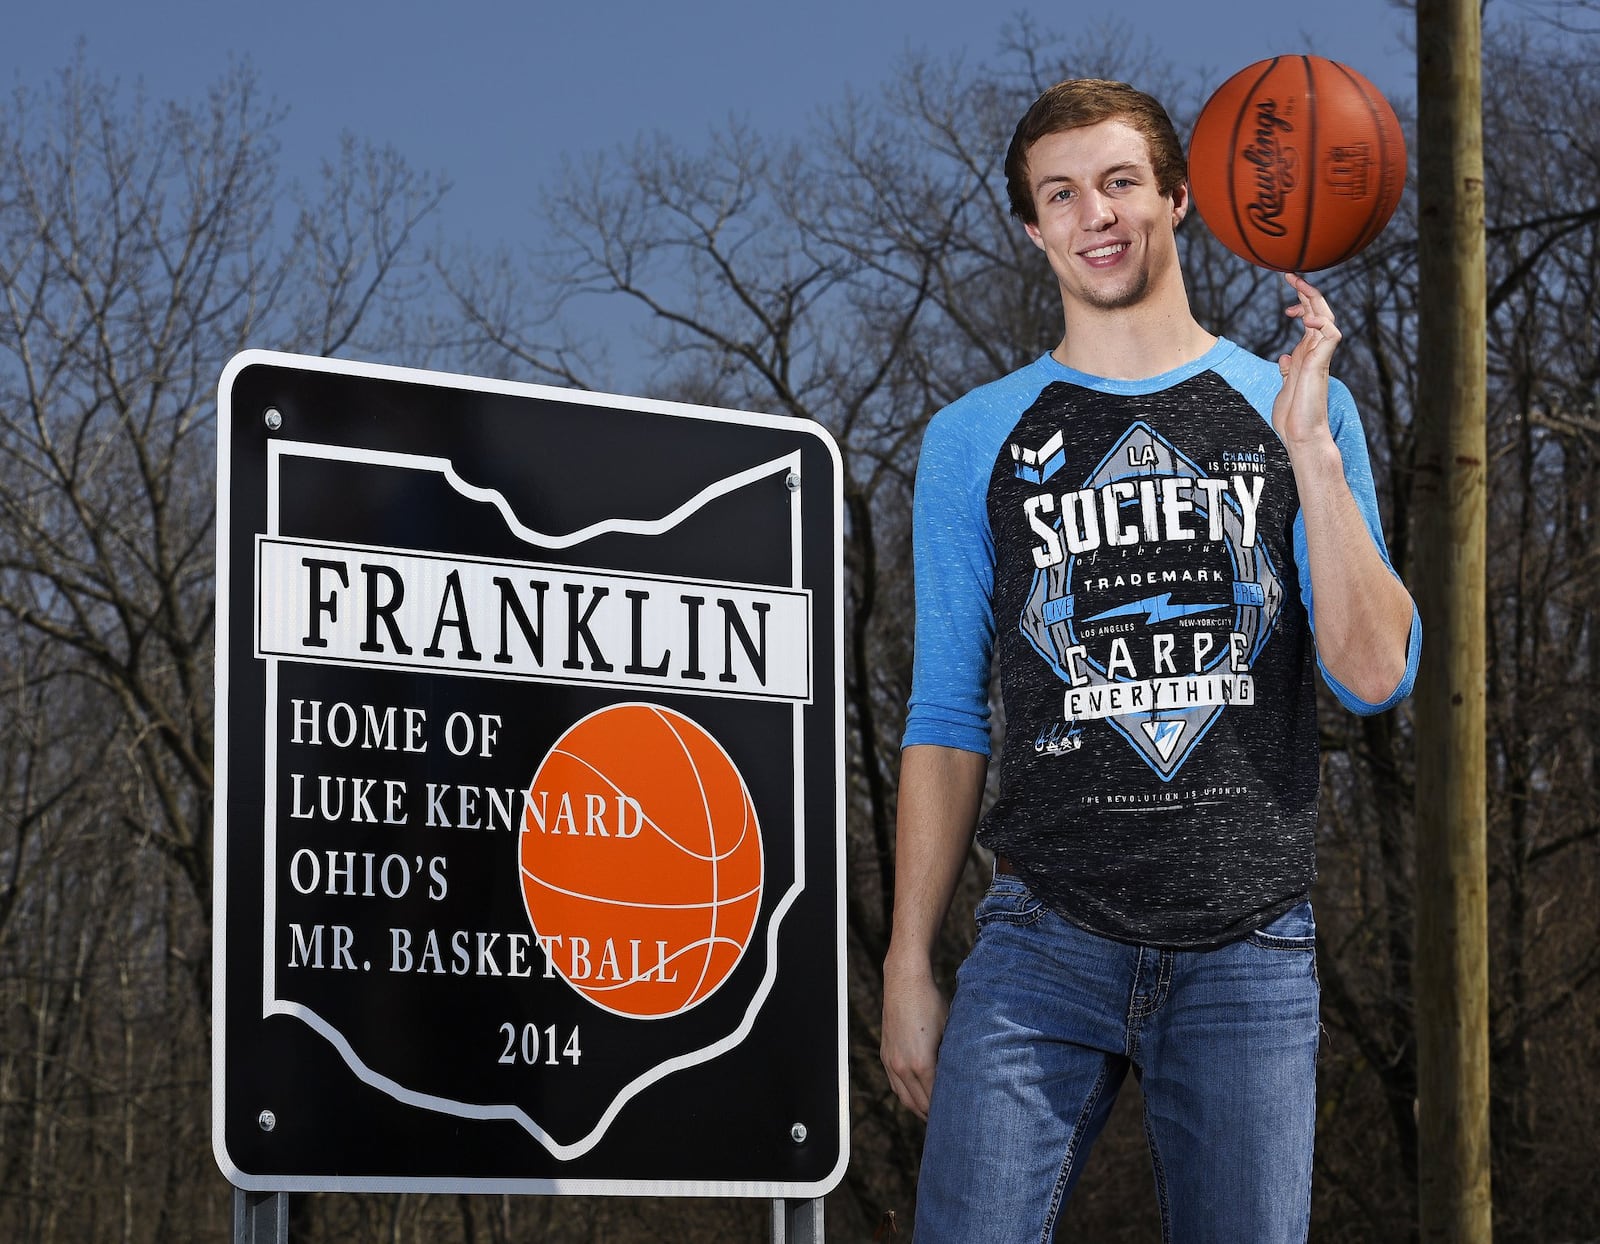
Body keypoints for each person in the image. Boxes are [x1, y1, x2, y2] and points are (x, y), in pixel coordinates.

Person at [879, 78, 1420, 1243]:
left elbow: (1373, 675)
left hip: (1249, 945)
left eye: (1121, 182)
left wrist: (1311, 450)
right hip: (1039, 938)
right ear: (1033, 228)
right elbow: (944, 712)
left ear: (1179, 196)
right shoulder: (973, 435)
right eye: (1060, 194)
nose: (1096, 214)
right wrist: (906, 961)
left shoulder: (1290, 405)